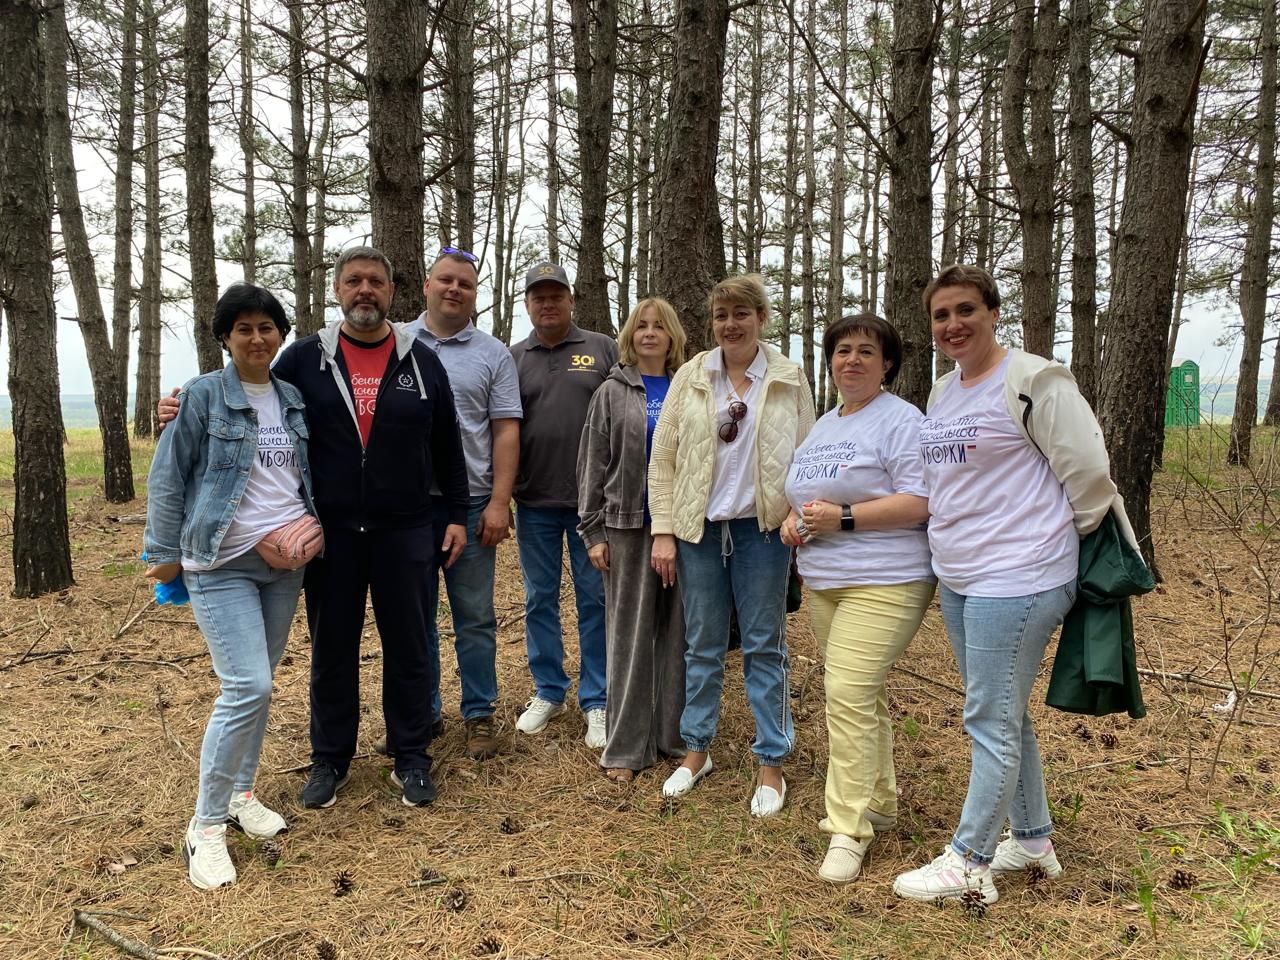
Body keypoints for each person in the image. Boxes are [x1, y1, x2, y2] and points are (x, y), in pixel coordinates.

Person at [160, 247, 470, 810]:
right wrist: (182, 402)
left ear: (393, 292)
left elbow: (449, 445)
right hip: (329, 534)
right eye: (354, 281)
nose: (365, 291)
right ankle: (330, 759)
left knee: (410, 647)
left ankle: (411, 758)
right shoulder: (303, 358)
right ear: (337, 290)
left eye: (376, 281)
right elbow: (247, 391)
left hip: (406, 532)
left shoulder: (422, 362)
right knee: (332, 648)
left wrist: (454, 515)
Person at [892, 264, 1137, 905]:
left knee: (987, 716)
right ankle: (1031, 839)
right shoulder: (944, 394)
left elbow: (1087, 471)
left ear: (994, 312)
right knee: (1002, 710)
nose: (953, 325)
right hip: (963, 576)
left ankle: (968, 861)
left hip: (1022, 575)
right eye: (941, 315)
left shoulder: (1033, 379)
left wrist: (1053, 540)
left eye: (966, 310)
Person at [145, 283, 319, 890]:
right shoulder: (199, 397)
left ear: (280, 335)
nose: (256, 338)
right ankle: (206, 826)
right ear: (225, 337)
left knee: (261, 688)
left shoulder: (292, 399)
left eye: (266, 327)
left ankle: (243, 796)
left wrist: (315, 526)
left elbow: (303, 479)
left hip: (285, 565)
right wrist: (162, 555)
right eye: (242, 328)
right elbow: (169, 476)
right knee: (248, 685)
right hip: (221, 562)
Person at [648, 273, 816, 817]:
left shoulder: (789, 376)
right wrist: (664, 531)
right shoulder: (693, 376)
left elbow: (810, 455)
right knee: (702, 644)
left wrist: (796, 514)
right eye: (722, 315)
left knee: (766, 645)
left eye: (742, 314)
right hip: (700, 532)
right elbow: (664, 460)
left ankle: (771, 762)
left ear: (762, 319)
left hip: (761, 534)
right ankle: (697, 750)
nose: (730, 324)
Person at [780, 314, 934, 883]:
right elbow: (800, 499)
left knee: (844, 690)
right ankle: (882, 802)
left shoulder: (902, 421)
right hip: (825, 582)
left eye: (866, 351)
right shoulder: (823, 426)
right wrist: (792, 523)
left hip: (888, 579)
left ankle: (846, 829)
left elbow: (921, 500)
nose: (852, 360)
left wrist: (843, 518)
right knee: (863, 695)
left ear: (886, 362)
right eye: (842, 351)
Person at [404, 247, 522, 760]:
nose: (455, 290)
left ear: (475, 295)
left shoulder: (493, 353)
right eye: (446, 280)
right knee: (414, 617)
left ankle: (479, 714)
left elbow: (505, 430)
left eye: (466, 285)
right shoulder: (396, 342)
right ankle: (423, 712)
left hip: (473, 504)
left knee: (474, 617)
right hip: (406, 508)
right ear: (427, 285)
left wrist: (499, 501)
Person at [577, 298, 688, 783]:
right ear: (630, 334)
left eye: (659, 326)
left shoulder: (690, 387)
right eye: (641, 326)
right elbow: (592, 462)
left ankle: (675, 738)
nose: (649, 333)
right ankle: (626, 746)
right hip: (625, 526)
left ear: (672, 336)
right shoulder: (612, 391)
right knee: (629, 636)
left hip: (684, 528)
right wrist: (593, 530)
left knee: (680, 634)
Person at [510, 262, 618, 748]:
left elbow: (625, 413)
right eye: (539, 297)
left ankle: (596, 698)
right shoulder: (513, 358)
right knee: (540, 600)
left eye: (556, 295)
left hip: (591, 508)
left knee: (595, 601)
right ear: (528, 304)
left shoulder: (601, 349)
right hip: (533, 500)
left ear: (571, 300)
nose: (548, 304)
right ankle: (549, 691)